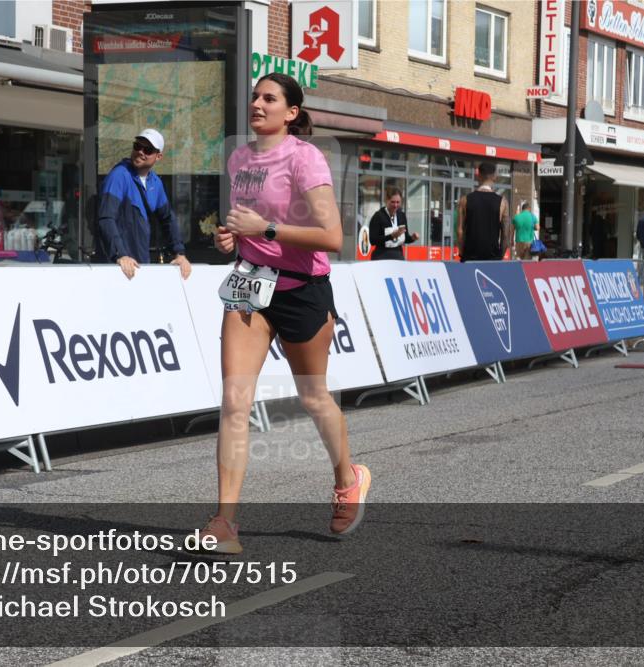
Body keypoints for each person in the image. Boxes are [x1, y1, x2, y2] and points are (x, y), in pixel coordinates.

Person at [205, 72, 369, 554]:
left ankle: (348, 476)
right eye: (254, 95)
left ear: (291, 113)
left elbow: (332, 237)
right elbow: (246, 224)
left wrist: (268, 229)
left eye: (269, 98)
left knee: (314, 397)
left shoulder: (305, 157)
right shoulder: (239, 158)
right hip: (251, 284)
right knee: (235, 402)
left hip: (302, 290)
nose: (257, 103)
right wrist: (233, 237)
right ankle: (225, 524)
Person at [94, 129, 192, 280]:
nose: (140, 152)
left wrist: (179, 254)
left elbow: (168, 219)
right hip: (118, 268)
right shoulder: (119, 175)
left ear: (158, 156)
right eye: (137, 146)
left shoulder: (155, 182)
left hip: (140, 266)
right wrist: (120, 255)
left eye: (147, 149)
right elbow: (106, 218)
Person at [457, 161, 510, 262]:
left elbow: (460, 232)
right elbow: (506, 234)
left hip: (470, 257)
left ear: (478, 176)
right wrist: (500, 255)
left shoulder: (465, 200)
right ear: (495, 177)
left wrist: (462, 254)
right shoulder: (503, 202)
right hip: (492, 258)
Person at [368, 187, 419, 260]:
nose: (395, 205)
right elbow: (372, 240)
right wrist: (391, 236)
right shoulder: (378, 216)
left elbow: (405, 238)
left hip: (398, 257)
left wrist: (412, 238)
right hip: (381, 257)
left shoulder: (401, 215)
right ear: (386, 200)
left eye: (398, 202)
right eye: (393, 202)